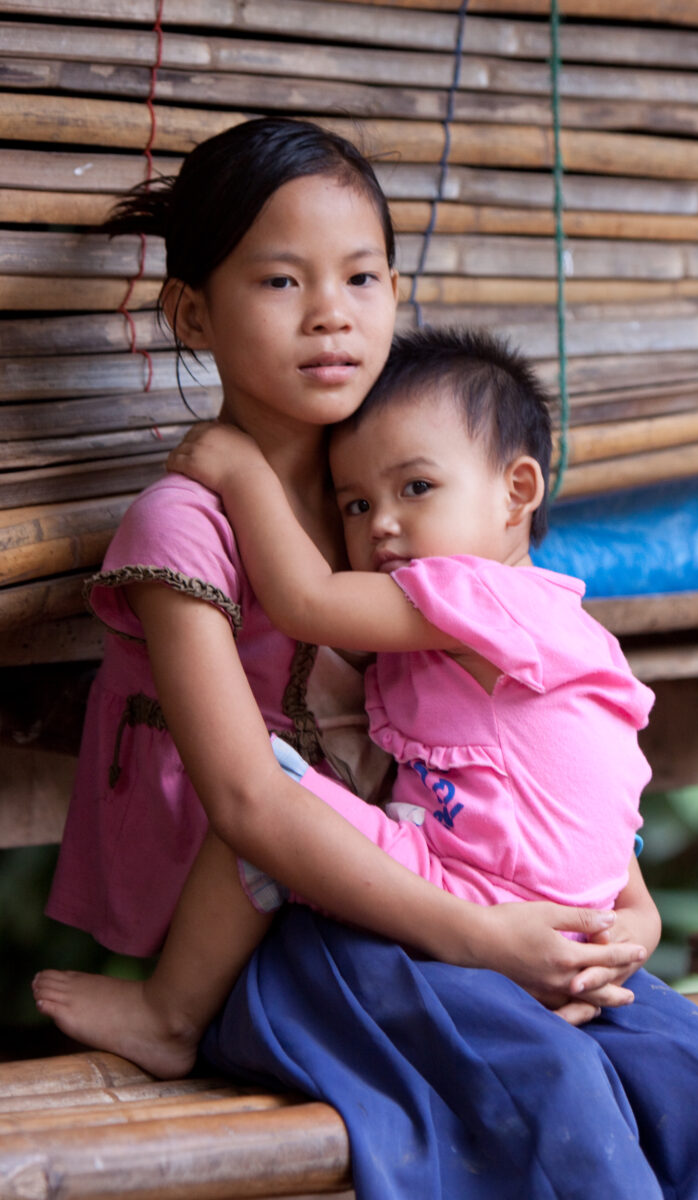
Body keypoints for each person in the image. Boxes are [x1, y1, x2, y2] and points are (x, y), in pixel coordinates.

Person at [37, 117, 650, 1054]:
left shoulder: (405, 507)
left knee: (688, 1076)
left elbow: (541, 728)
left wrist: (624, 915)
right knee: (540, 1083)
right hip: (285, 928)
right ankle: (169, 1017)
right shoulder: (186, 526)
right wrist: (484, 938)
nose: (330, 312)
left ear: (394, 293)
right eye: (282, 280)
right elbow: (248, 805)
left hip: (438, 880)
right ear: (192, 313)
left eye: (360, 278)